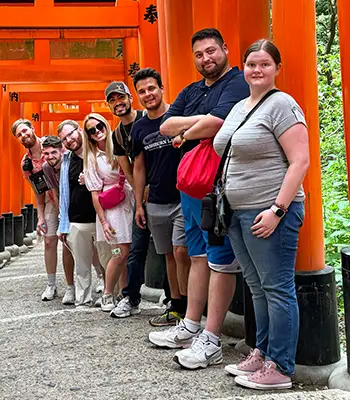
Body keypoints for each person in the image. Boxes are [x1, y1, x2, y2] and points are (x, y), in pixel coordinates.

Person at [215, 39, 309, 390]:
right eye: (251, 64)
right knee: (257, 286)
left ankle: (281, 367)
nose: (257, 70)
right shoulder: (240, 107)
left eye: (265, 64)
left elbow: (300, 161)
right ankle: (263, 351)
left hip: (270, 211)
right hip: (237, 212)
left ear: (276, 69)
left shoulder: (283, 105)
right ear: (243, 67)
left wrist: (277, 210)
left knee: (278, 287)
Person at [157, 28, 250, 368]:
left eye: (211, 51)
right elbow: (166, 126)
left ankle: (211, 339)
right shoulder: (193, 89)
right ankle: (192, 325)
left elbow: (220, 123)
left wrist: (189, 130)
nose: (206, 58)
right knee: (196, 253)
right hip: (191, 182)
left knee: (220, 257)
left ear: (225, 49)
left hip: (219, 183)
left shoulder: (238, 83)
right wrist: (194, 127)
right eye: (199, 54)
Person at [111, 68, 189, 321]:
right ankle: (176, 307)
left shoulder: (179, 116)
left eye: (151, 88)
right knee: (168, 255)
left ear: (162, 89)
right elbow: (139, 166)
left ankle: (190, 308)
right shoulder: (139, 128)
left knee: (181, 252)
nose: (148, 94)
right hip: (155, 199)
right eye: (142, 91)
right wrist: (140, 205)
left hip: (182, 197)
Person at [105, 82, 171, 324]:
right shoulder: (118, 134)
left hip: (168, 188)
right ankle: (131, 297)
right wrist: (141, 193)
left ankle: (172, 296)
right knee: (138, 248)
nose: (118, 102)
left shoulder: (148, 117)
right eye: (112, 100)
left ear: (130, 98)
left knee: (170, 249)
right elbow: (129, 167)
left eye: (120, 97)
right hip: (142, 195)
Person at [11, 119, 75, 304]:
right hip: (49, 199)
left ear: (32, 128)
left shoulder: (54, 144)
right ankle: (51, 283)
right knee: (48, 240)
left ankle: (87, 280)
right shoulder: (26, 163)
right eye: (19, 135)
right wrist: (40, 217)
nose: (24, 136)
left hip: (69, 195)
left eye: (25, 131)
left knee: (71, 239)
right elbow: (37, 191)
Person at [82, 113, 134, 312]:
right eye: (91, 131)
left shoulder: (119, 144)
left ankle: (124, 293)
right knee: (118, 252)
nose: (97, 132)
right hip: (111, 209)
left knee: (127, 252)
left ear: (105, 125)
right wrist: (103, 221)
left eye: (99, 127)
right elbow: (95, 193)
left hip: (129, 199)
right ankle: (107, 293)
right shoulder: (93, 158)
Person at [57, 120, 111, 307]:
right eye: (64, 139)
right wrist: (63, 224)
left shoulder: (98, 153)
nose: (69, 140)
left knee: (107, 258)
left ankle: (109, 294)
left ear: (79, 130)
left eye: (70, 134)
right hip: (77, 218)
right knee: (81, 263)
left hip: (101, 216)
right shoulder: (66, 159)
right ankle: (82, 297)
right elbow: (64, 193)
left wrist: (91, 179)